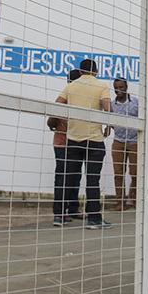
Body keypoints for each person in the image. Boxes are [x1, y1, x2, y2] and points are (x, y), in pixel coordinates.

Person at [56, 58, 112, 229]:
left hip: (73, 139)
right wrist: (108, 126)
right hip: (94, 140)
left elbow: (57, 105)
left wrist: (55, 123)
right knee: (92, 180)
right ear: (95, 72)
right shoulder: (101, 85)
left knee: (67, 178)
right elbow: (107, 107)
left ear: (80, 72)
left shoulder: (71, 86)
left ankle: (59, 215)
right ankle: (94, 219)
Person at [48, 69, 81, 225]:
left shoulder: (68, 96)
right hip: (65, 143)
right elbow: (51, 120)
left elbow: (51, 122)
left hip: (72, 142)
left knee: (73, 176)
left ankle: (71, 209)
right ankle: (60, 213)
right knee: (64, 177)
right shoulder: (68, 97)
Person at [110, 77, 139, 211]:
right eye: (116, 87)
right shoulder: (111, 105)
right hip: (118, 141)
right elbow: (109, 121)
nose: (119, 90)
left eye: (121, 87)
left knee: (135, 172)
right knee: (118, 173)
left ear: (126, 87)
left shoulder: (136, 103)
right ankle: (119, 202)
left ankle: (132, 199)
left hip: (134, 142)